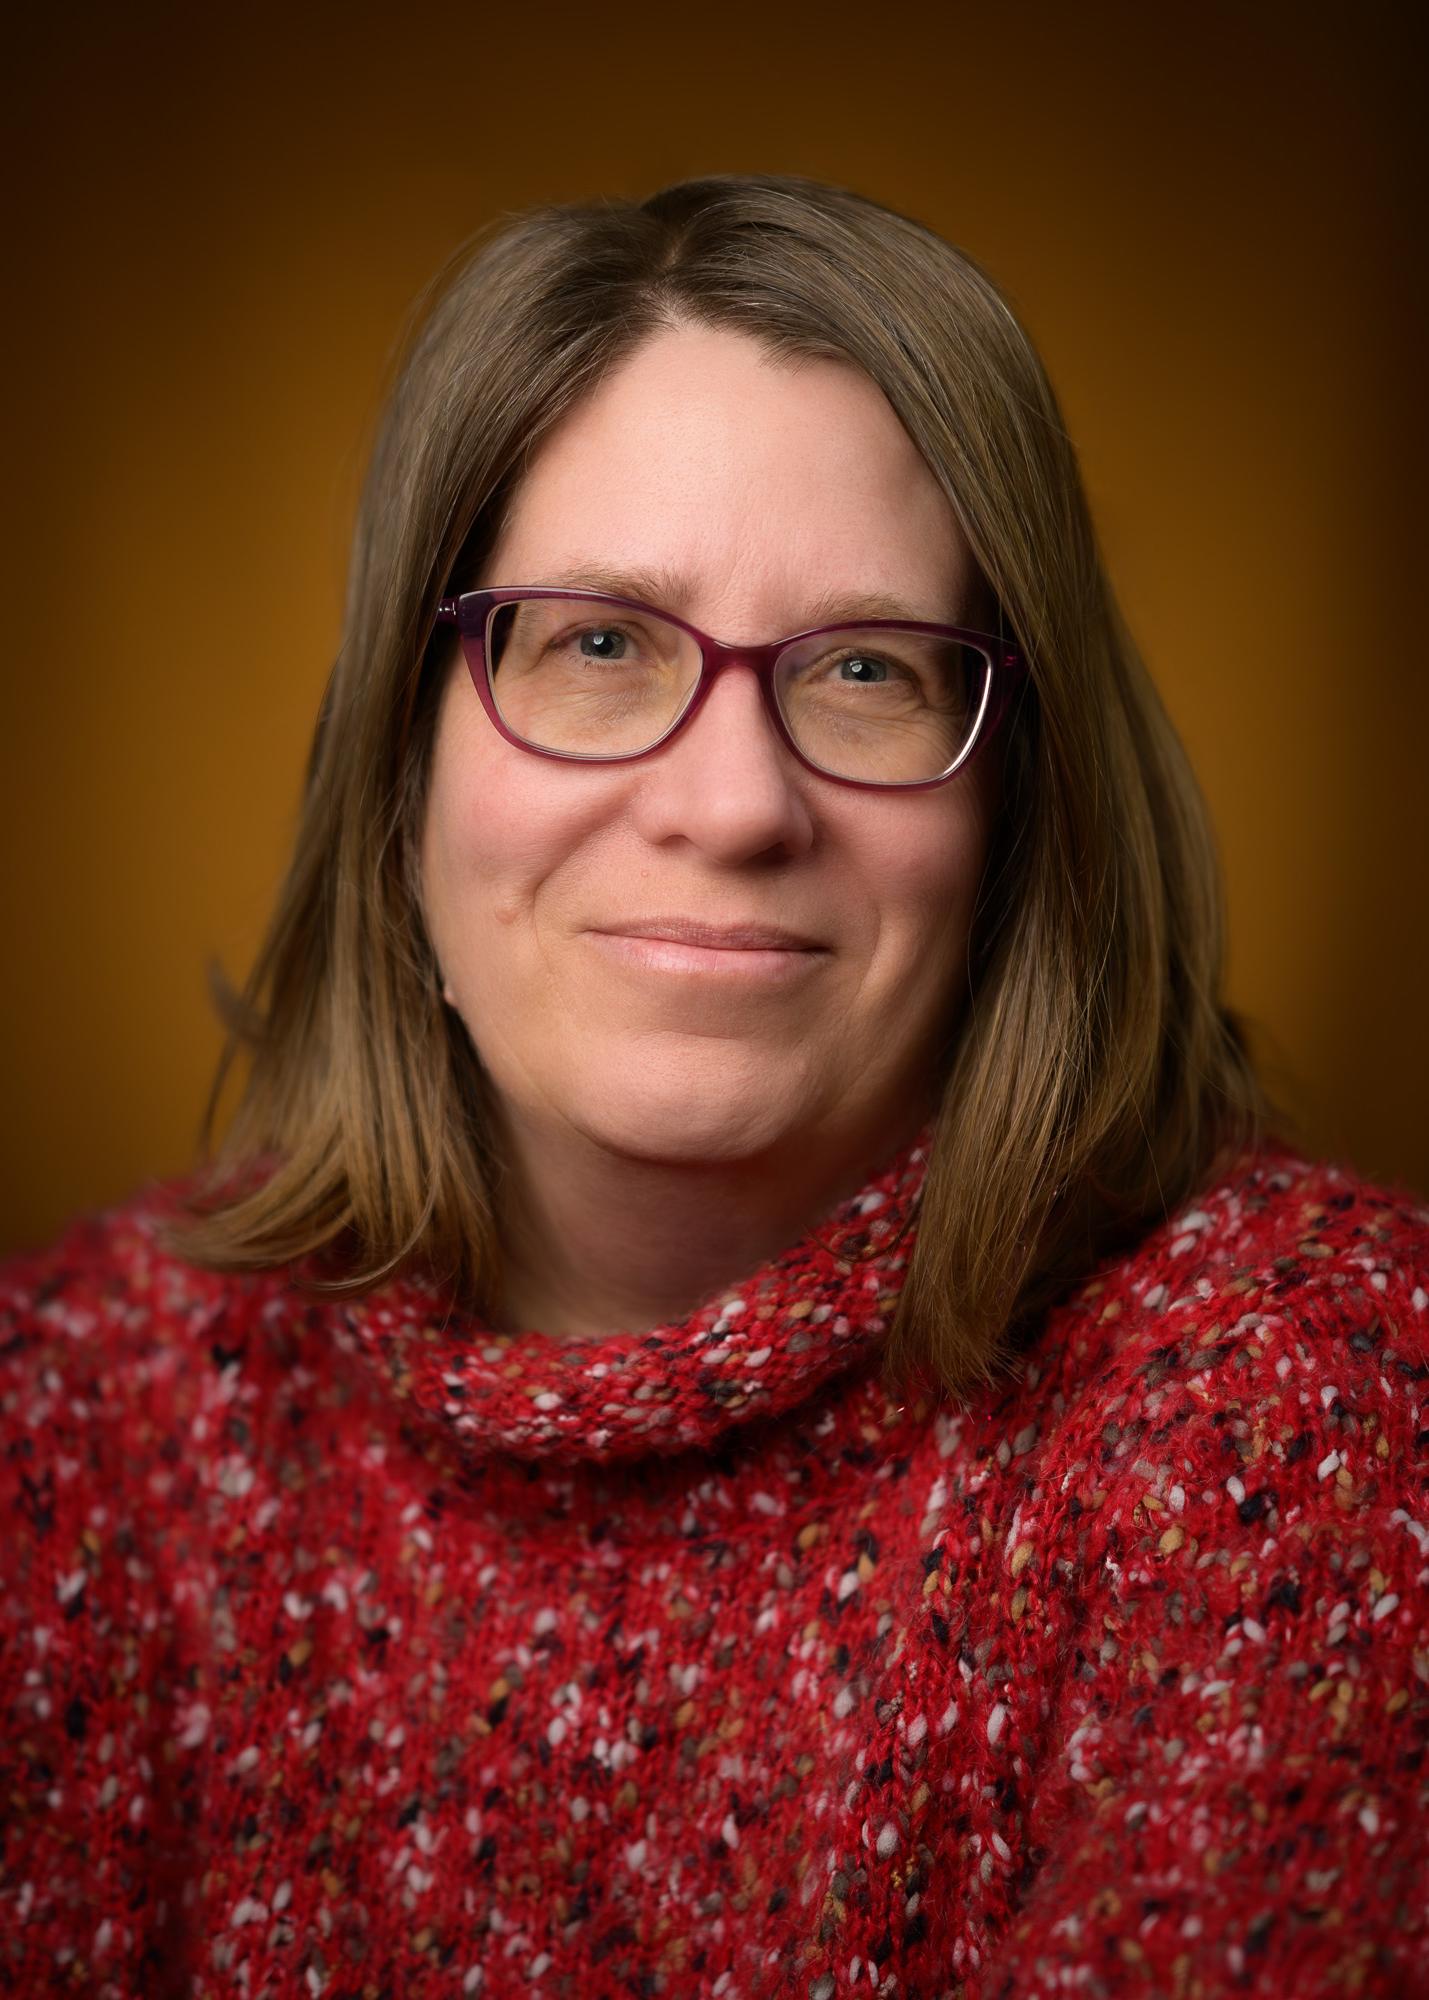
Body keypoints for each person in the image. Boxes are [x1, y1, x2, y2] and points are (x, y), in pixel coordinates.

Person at [2, 172, 1425, 1999]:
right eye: (596, 644)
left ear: (1014, 819)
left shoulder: (1295, 1395)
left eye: (865, 670)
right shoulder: (71, 1431)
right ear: (398, 772)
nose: (734, 803)